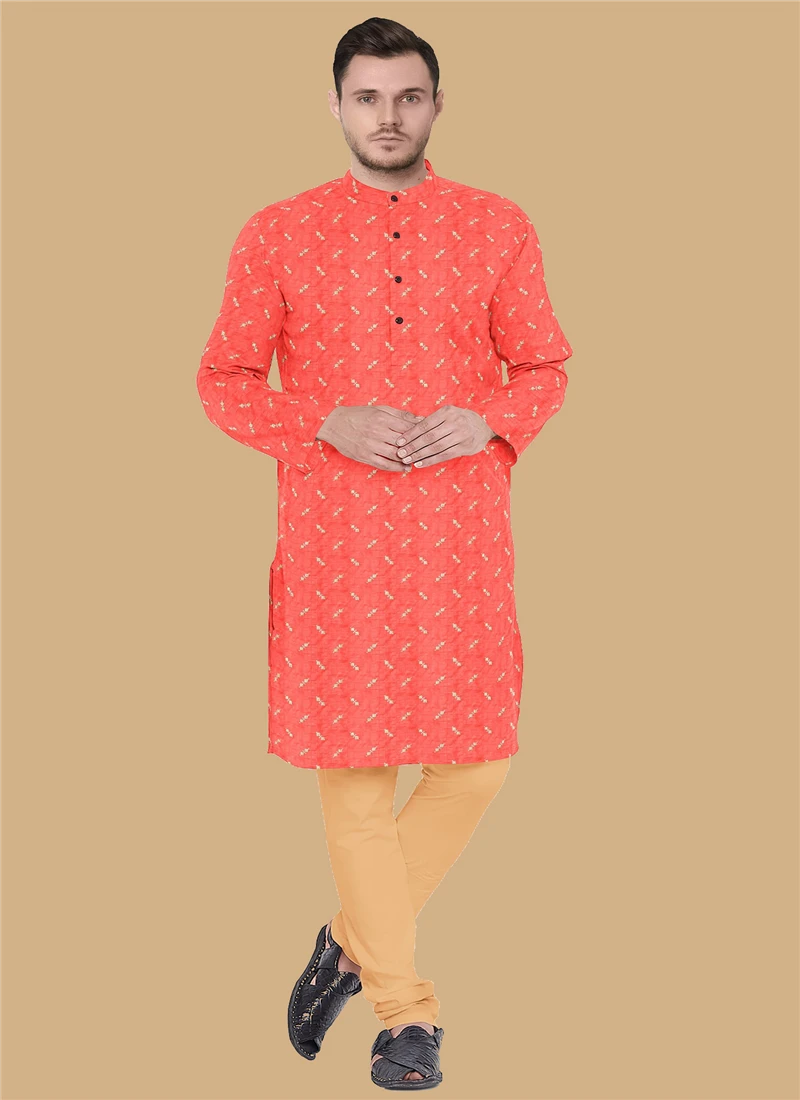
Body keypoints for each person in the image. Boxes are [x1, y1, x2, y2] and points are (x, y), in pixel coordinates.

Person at [196, 15, 573, 1090]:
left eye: (408, 96)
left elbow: (545, 366)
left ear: (437, 104)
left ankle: (347, 941)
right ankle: (407, 1014)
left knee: (480, 760)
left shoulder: (497, 225)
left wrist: (487, 417)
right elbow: (223, 379)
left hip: (459, 533)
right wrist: (323, 419)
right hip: (336, 541)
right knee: (356, 778)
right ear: (336, 106)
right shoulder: (278, 232)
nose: (388, 115)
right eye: (367, 97)